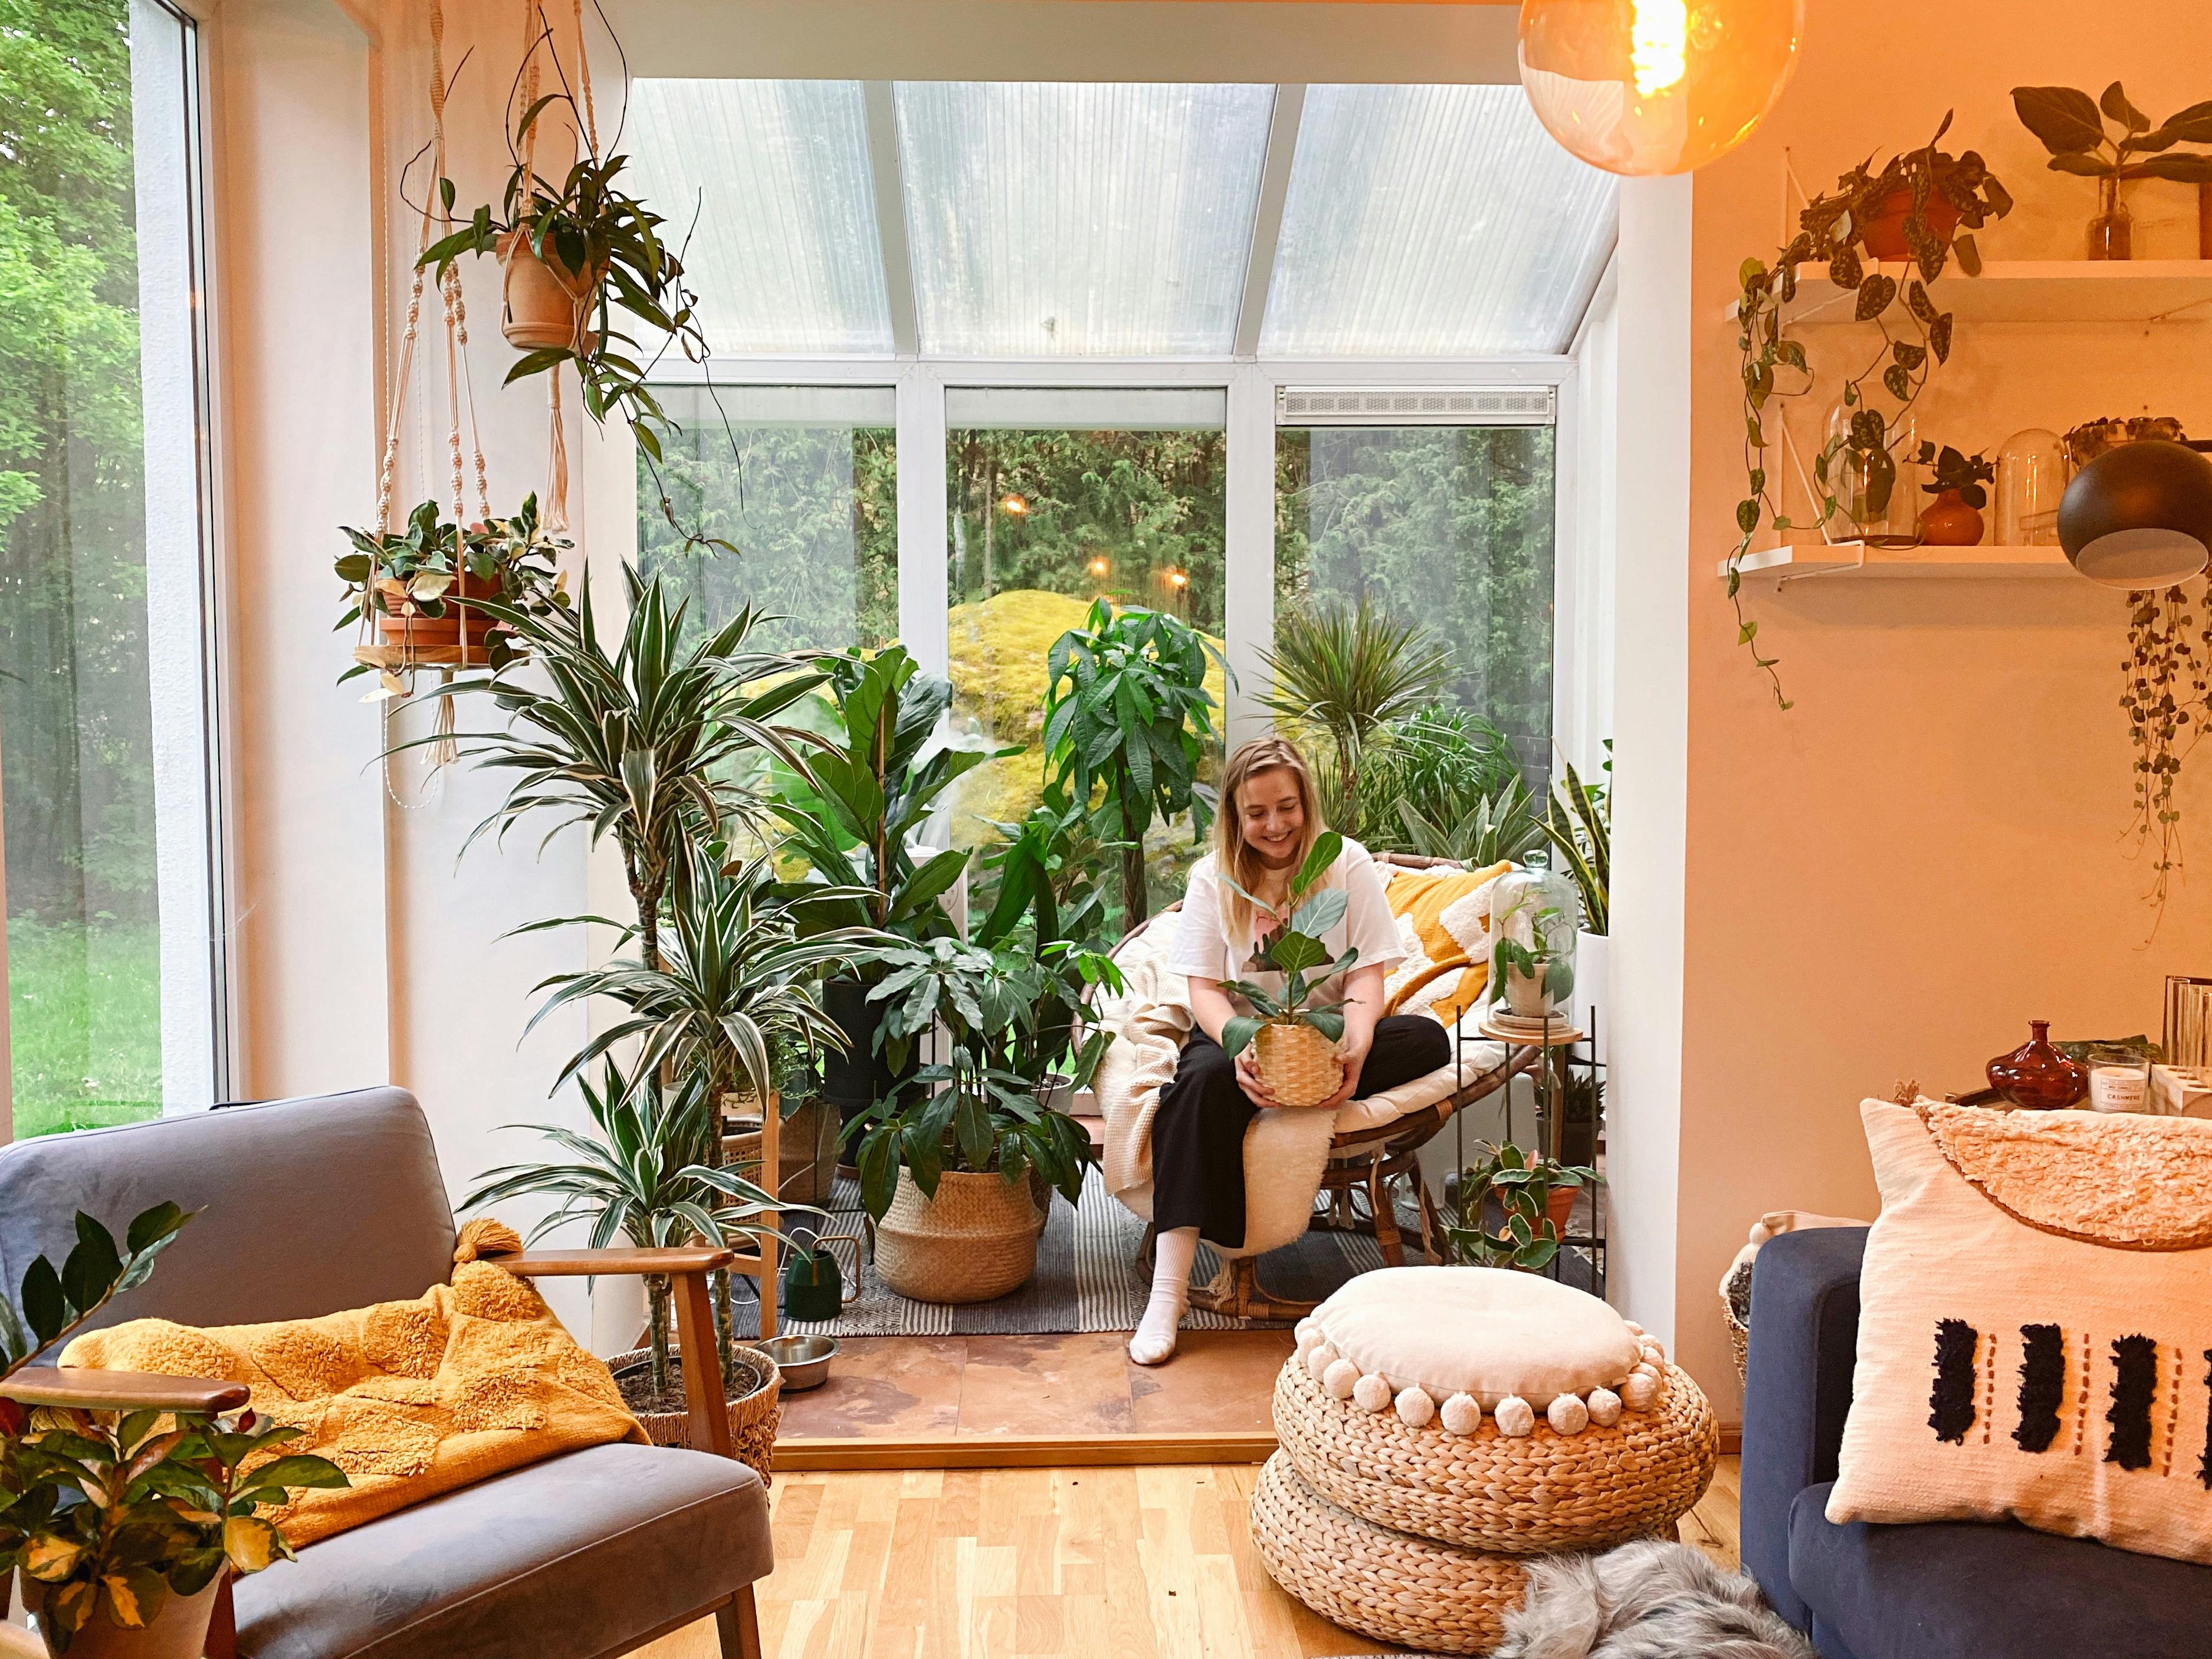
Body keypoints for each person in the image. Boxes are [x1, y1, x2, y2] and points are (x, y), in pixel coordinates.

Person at [1129, 735, 1450, 1365]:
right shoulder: (1210, 878)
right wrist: (1242, 1047)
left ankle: (1295, 1088)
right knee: (1195, 1087)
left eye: (1287, 807)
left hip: (1326, 1033)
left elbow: (1366, 976)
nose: (1274, 825)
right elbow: (1204, 989)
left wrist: (1354, 1049)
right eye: (1257, 813)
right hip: (1240, 1033)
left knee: (1427, 1038)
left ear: (1307, 803)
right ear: (1236, 816)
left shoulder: (1346, 864)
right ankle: (1168, 1294)